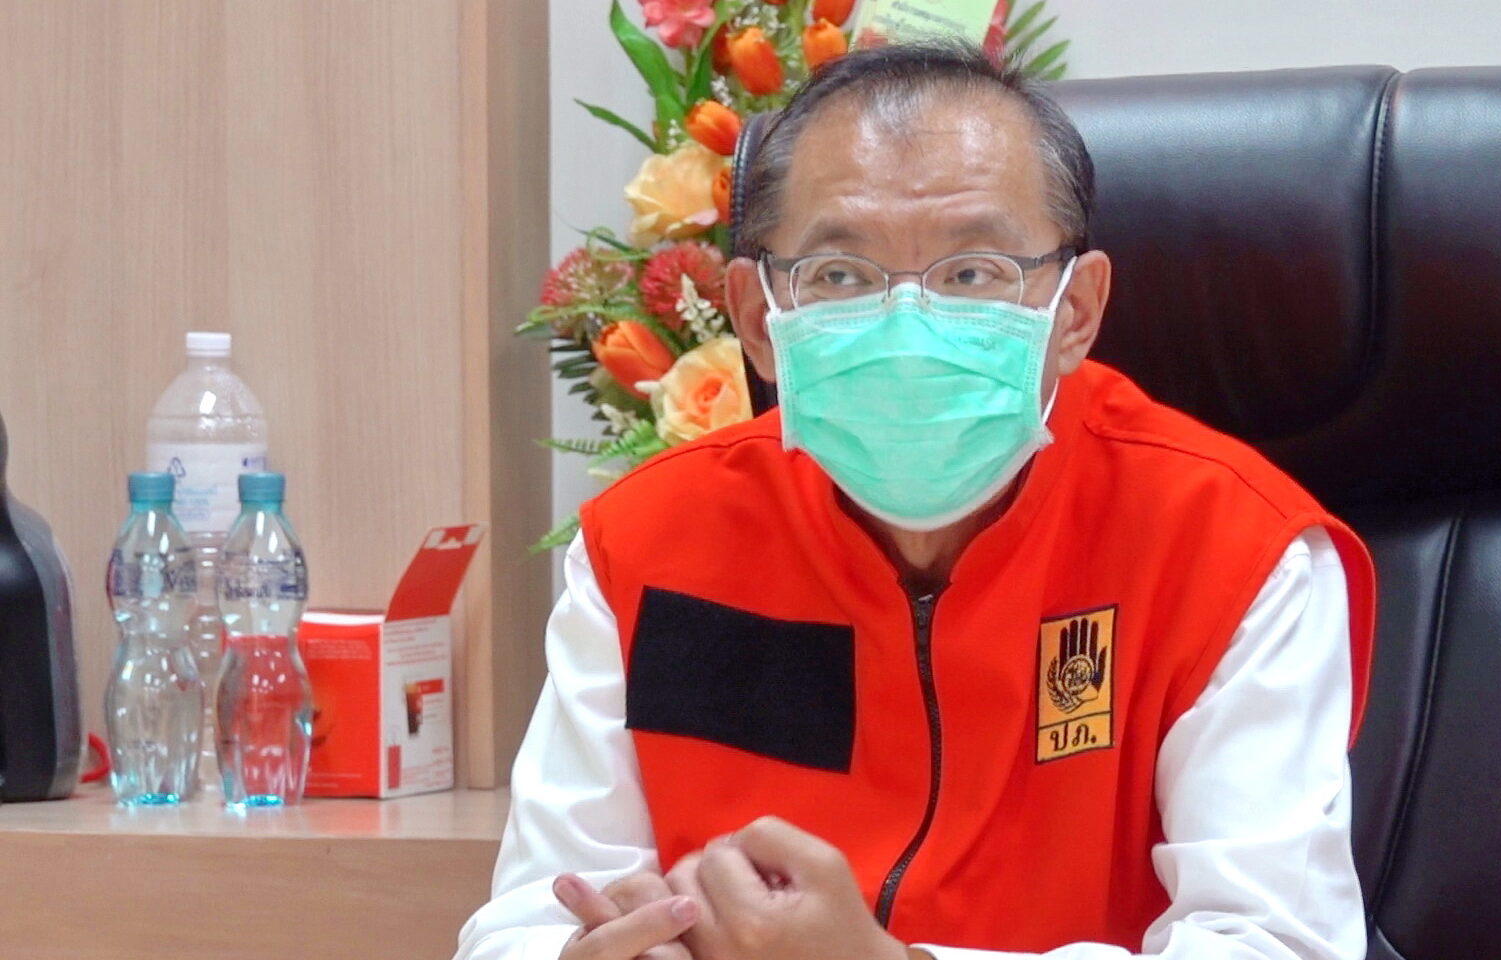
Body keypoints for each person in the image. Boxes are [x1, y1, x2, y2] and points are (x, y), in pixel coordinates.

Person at [457, 41, 1375, 960]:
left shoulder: (1230, 549)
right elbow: (527, 918)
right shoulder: (652, 542)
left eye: (973, 273)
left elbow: (1275, 943)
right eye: (840, 277)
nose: (907, 329)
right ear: (757, 320)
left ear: (1075, 311)